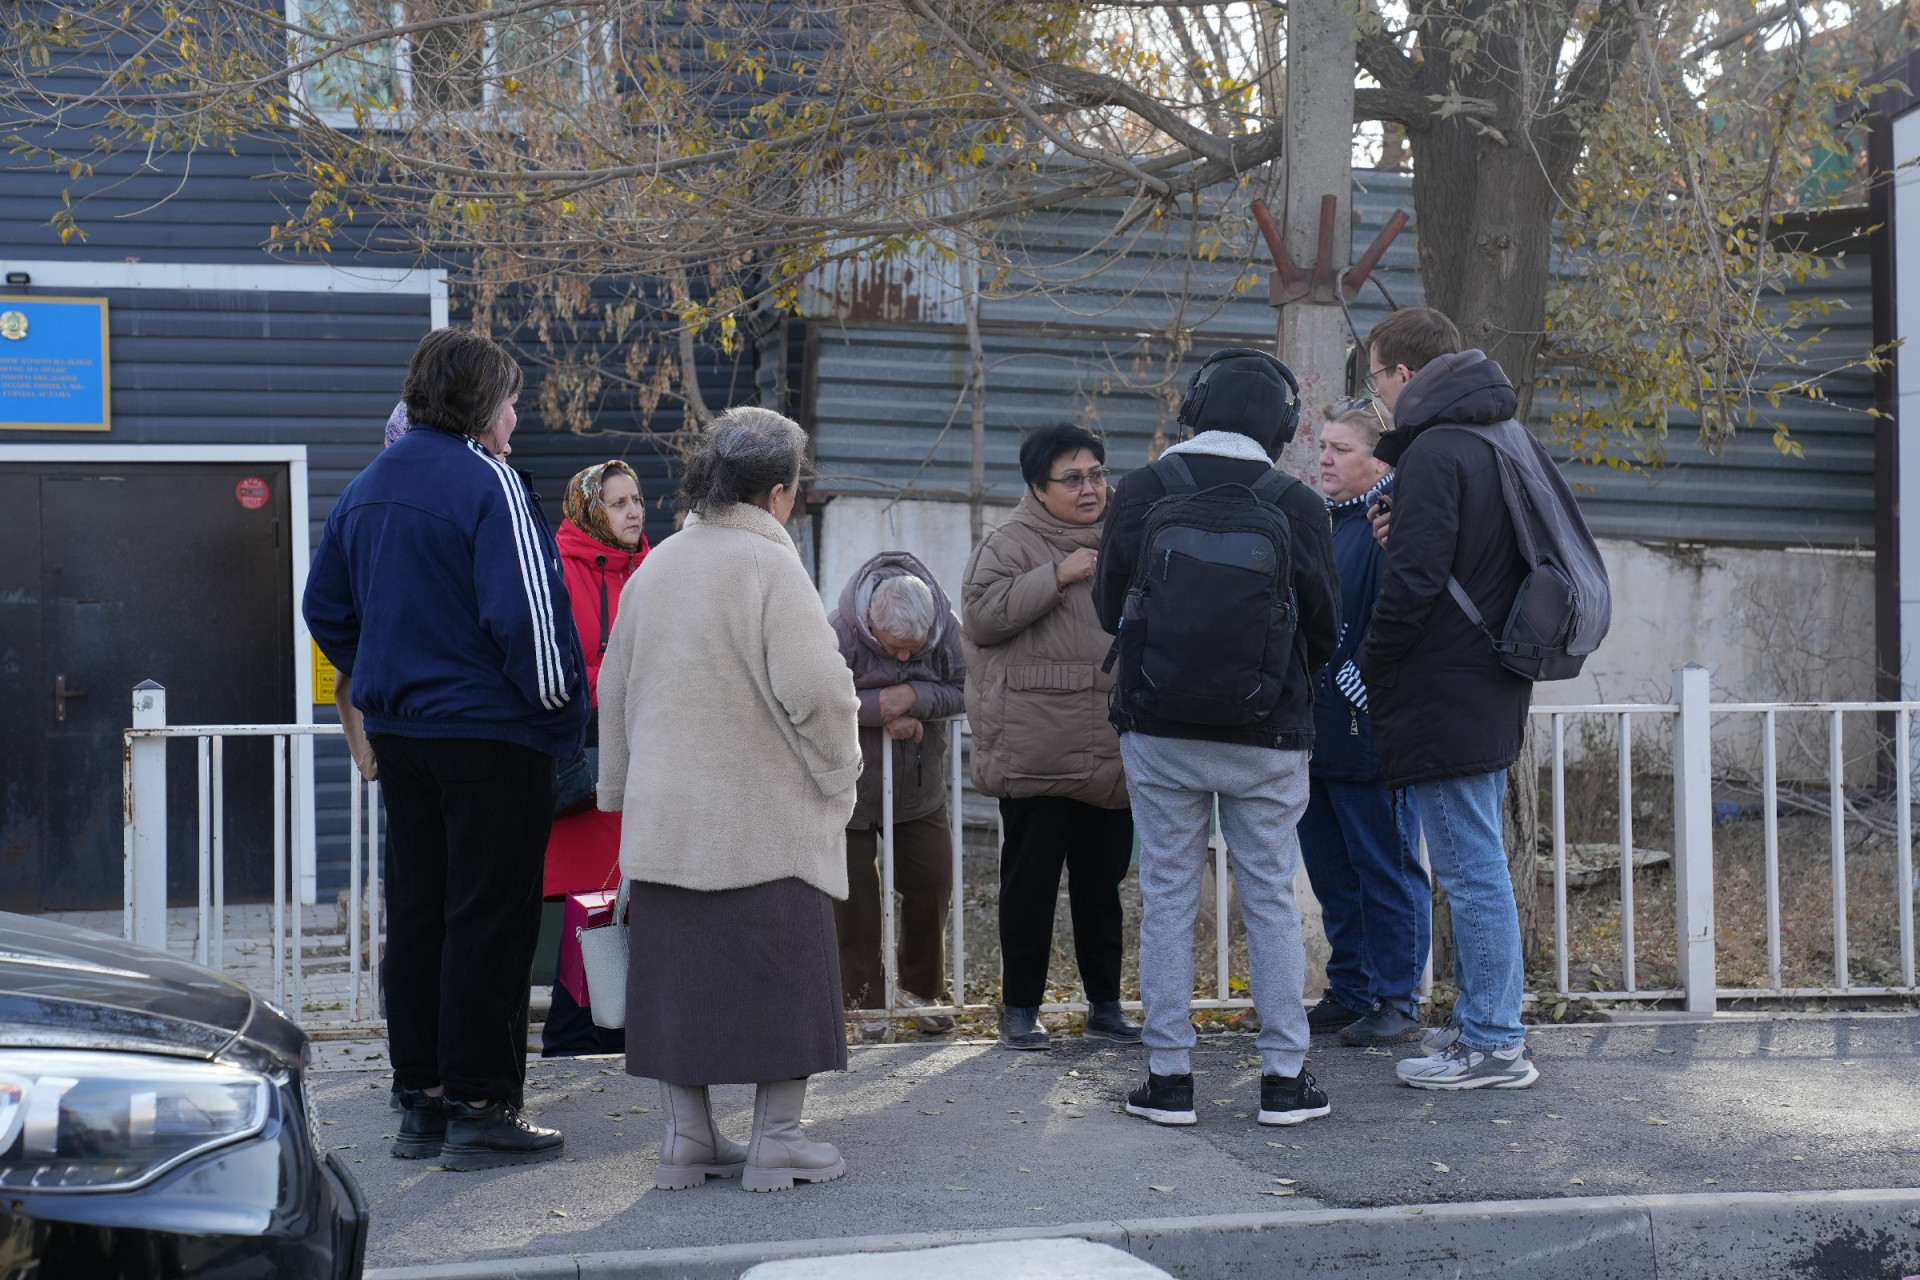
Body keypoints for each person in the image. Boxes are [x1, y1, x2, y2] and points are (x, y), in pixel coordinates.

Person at [304, 326, 588, 1170]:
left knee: (422, 916)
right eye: (509, 397)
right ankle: (481, 1106)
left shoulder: (367, 486)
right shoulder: (487, 482)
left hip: (405, 735)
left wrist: (380, 669)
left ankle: (421, 1102)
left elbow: (324, 607)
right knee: (489, 922)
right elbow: (534, 626)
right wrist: (557, 712)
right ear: (480, 402)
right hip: (493, 735)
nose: (515, 413)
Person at [597, 406, 862, 1193]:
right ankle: (777, 1139)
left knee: (679, 981)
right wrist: (840, 770)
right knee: (786, 978)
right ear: (779, 494)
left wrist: (619, 792)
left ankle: (688, 1141)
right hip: (764, 818)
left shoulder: (657, 565)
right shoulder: (770, 567)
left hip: (667, 820)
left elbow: (613, 688)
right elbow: (818, 688)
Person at [1095, 348, 1340, 1128]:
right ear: (1285, 425)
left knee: (1167, 894)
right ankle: (1283, 1079)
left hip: (1158, 728)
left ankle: (1168, 1078)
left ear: (1193, 409)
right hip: (1267, 730)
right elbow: (1327, 629)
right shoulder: (1295, 502)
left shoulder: (1143, 489)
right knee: (1268, 896)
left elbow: (1108, 609)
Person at [1359, 306, 1539, 1090]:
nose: (1375, 398)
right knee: (1475, 864)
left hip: (1447, 683)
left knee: (1469, 870)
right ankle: (1477, 1026)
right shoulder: (1497, 436)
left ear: (1403, 375)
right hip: (1488, 679)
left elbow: (1418, 582)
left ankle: (1495, 1042)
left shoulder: (1435, 449)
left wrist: (1372, 662)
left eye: (1373, 379)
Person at [962, 422, 1141, 1052]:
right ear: (1038, 488)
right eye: (1073, 478)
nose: (1090, 487)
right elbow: (980, 617)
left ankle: (1107, 1005)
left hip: (1111, 745)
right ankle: (1019, 1009)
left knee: (1104, 885)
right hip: (1036, 748)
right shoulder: (1010, 544)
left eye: (1096, 473)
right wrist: (1057, 575)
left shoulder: (1130, 530)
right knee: (1030, 884)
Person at [1297, 399, 1431, 1048]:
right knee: (1331, 871)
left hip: (1368, 733)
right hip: (1315, 729)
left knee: (1385, 867)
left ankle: (1398, 1000)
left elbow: (1405, 610)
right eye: (1322, 446)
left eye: (1340, 449)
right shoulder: (1326, 521)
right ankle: (1350, 989)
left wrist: (1367, 678)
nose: (1324, 458)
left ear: (1378, 458)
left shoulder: (1391, 518)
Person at [828, 554, 967, 1040]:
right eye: (895, 649)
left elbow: (966, 687)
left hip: (919, 783)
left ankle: (920, 991)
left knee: (932, 883)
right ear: (871, 624)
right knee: (854, 900)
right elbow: (819, 700)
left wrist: (914, 700)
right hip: (849, 786)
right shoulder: (838, 631)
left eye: (915, 650)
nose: (905, 659)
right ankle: (865, 1004)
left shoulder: (945, 628)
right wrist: (879, 708)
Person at [540, 460, 651, 1056]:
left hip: (645, 761)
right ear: (590, 510)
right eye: (618, 503)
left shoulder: (654, 568)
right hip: (589, 764)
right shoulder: (559, 568)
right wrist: (616, 681)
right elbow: (552, 664)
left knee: (635, 895)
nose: (634, 511)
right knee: (593, 901)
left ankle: (628, 1026)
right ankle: (575, 1033)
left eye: (636, 499)